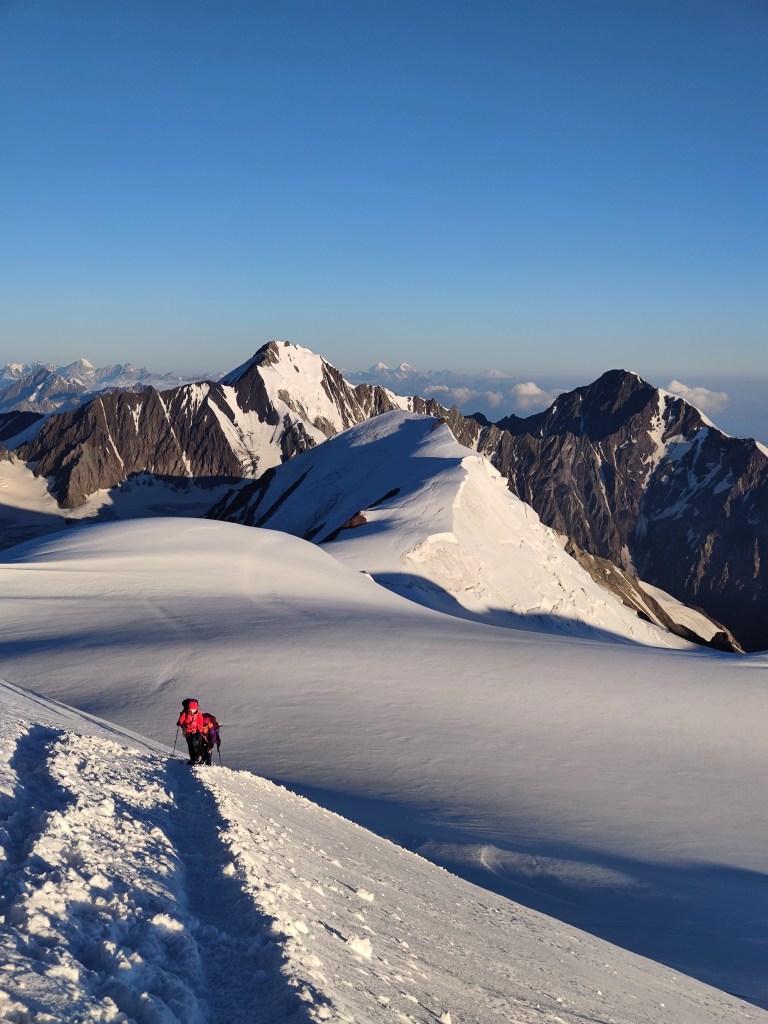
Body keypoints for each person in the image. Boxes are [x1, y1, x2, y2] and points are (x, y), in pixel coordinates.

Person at [177, 698, 206, 765]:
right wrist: (180, 722)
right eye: (191, 709)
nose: (192, 711)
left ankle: (196, 758)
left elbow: (201, 722)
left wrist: (199, 731)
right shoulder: (186, 712)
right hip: (187, 731)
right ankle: (192, 759)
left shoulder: (199, 713)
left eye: (194, 709)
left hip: (195, 731)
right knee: (190, 745)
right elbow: (182, 718)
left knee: (194, 744)